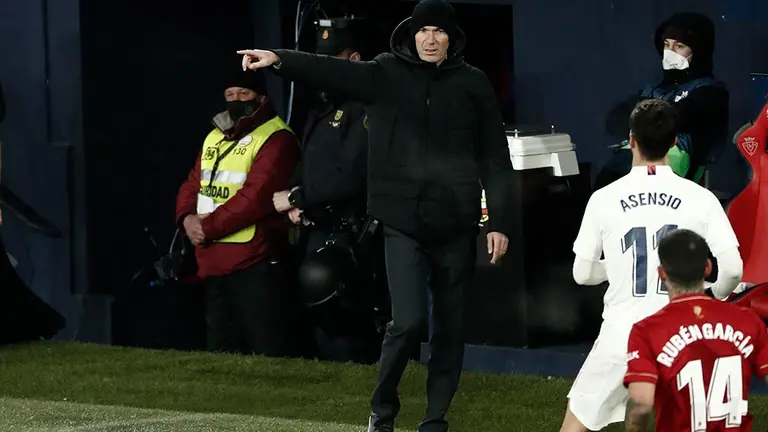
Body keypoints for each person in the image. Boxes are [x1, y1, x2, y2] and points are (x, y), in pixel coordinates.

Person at [238, 0, 514, 430]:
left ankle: (435, 420)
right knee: (407, 322)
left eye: (439, 32)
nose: (430, 39)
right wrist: (279, 61)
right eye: (424, 31)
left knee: (450, 328)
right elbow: (330, 70)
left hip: (456, 223)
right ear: (412, 33)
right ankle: (382, 408)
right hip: (402, 222)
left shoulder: (472, 84)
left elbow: (495, 157)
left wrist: (499, 221)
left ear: (451, 38)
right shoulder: (385, 73)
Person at [560, 99, 743, 432]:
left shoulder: (604, 198)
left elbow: (582, 273)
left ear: (631, 140)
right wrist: (712, 297)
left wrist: (615, 269)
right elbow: (732, 269)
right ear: (674, 142)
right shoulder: (701, 198)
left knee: (577, 424)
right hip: (684, 336)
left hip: (624, 335)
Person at [272, 19, 386, 364]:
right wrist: (295, 188)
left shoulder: (365, 108)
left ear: (352, 60)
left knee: (352, 325)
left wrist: (298, 198)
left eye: (332, 59)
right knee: (322, 320)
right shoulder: (322, 105)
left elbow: (352, 175)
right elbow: (311, 159)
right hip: (317, 230)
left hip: (353, 234)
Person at [175, 69, 300, 356]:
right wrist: (186, 219)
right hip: (213, 261)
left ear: (261, 97)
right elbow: (193, 183)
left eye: (244, 94)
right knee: (220, 353)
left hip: (256, 261)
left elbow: (255, 198)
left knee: (265, 351)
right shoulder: (214, 137)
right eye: (230, 95)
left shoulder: (276, 138)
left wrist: (206, 228)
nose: (236, 100)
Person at [624, 229, 768, 432]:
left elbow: (640, 405)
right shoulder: (747, 320)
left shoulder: (647, 331)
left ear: (661, 273)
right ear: (707, 268)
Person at [597, 12, 728, 189]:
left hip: (671, 170)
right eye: (667, 45)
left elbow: (679, 116)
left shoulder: (710, 92)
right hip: (636, 160)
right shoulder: (656, 89)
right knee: (607, 182)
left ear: (698, 51)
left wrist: (644, 117)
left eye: (679, 46)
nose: (670, 52)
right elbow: (615, 119)